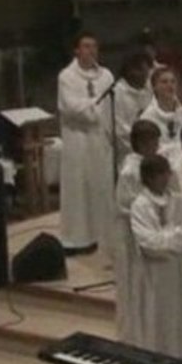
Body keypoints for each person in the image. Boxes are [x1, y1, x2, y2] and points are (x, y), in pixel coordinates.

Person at [129, 154, 182, 360]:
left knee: (181, 321)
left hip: (177, 271)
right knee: (157, 321)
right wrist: (175, 239)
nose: (165, 178)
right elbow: (148, 243)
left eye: (167, 173)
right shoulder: (140, 205)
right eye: (160, 175)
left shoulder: (178, 200)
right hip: (154, 275)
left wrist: (170, 240)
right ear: (148, 178)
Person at [58, 31, 115, 254]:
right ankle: (77, 238)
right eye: (86, 46)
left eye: (94, 47)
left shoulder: (106, 76)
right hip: (78, 140)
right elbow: (71, 107)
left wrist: (91, 106)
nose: (91, 51)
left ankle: (101, 235)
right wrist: (95, 107)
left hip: (101, 138)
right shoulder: (66, 76)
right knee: (79, 188)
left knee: (100, 186)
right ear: (77, 50)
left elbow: (109, 105)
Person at [112, 119, 160, 344]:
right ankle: (135, 335)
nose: (156, 145)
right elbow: (123, 204)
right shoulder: (130, 170)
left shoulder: (151, 164)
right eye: (152, 141)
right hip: (132, 234)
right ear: (140, 142)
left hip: (150, 229)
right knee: (135, 284)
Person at [140, 66, 182, 156]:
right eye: (164, 82)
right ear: (154, 87)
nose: (170, 85)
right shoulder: (147, 117)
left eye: (173, 81)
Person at [112, 51, 152, 164]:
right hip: (127, 155)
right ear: (131, 71)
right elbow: (119, 129)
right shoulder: (117, 93)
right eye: (143, 72)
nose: (146, 76)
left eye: (147, 72)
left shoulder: (148, 89)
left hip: (151, 150)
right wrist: (141, 146)